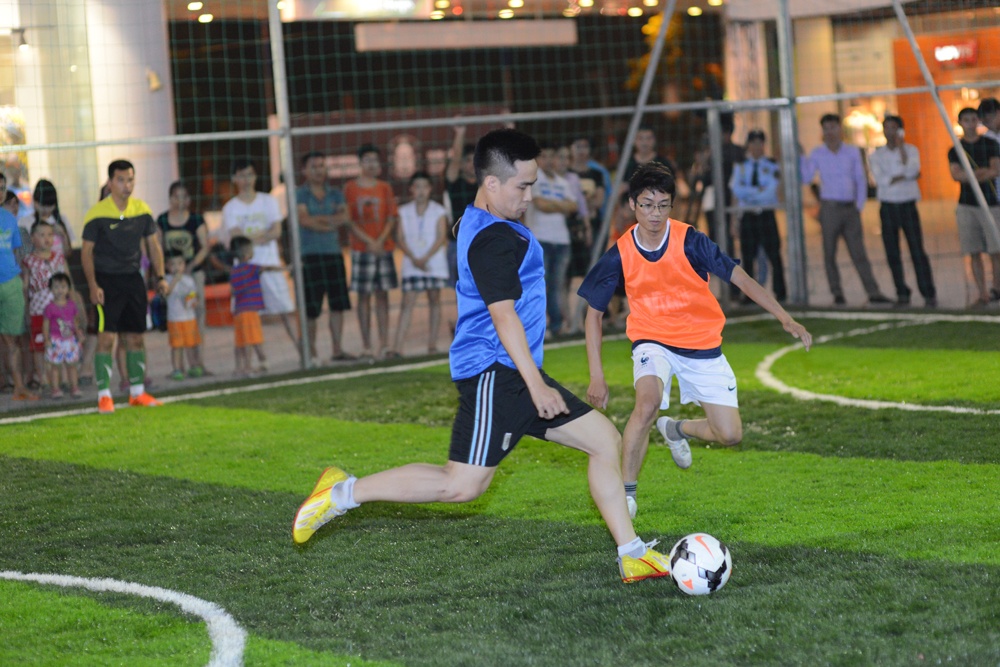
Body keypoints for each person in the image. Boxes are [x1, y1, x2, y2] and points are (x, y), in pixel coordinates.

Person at [292, 128, 672, 584]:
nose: (530, 196)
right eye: (523, 186)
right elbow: (503, 316)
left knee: (604, 441)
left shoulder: (480, 218)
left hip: (514, 369)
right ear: (492, 184)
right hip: (498, 372)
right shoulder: (493, 238)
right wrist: (535, 385)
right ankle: (340, 493)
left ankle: (630, 553)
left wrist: (532, 379)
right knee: (461, 485)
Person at [579, 163, 812, 519]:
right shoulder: (620, 252)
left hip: (700, 342)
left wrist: (785, 316)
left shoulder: (691, 240)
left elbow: (741, 279)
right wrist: (597, 375)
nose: (655, 214)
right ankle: (627, 496)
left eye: (662, 205)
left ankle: (676, 429)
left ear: (671, 205)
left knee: (731, 434)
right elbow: (593, 313)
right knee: (647, 403)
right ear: (631, 205)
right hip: (651, 338)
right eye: (646, 205)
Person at [81, 159, 165, 414]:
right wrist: (93, 284)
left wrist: (160, 277)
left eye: (130, 179)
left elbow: (153, 245)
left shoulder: (141, 210)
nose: (126, 185)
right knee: (106, 338)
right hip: (107, 282)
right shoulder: (97, 213)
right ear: (110, 182)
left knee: (136, 336)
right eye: (121, 180)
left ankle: (137, 393)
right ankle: (104, 396)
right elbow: (86, 253)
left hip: (133, 280)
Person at [800, 114, 891, 306]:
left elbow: (860, 179)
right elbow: (807, 178)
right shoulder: (817, 153)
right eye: (826, 128)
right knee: (829, 253)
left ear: (840, 129)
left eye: (833, 127)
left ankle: (873, 292)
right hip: (830, 208)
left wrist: (859, 206)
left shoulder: (851, 152)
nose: (830, 132)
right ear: (822, 131)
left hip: (850, 208)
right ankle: (837, 292)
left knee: (859, 253)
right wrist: (801, 158)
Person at [221, 159, 299, 348]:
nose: (246, 180)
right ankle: (258, 358)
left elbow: (276, 231)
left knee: (286, 311)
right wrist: (263, 235)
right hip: (245, 270)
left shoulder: (268, 201)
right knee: (248, 316)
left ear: (255, 176)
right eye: (241, 175)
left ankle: (302, 350)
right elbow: (236, 236)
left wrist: (249, 238)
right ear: (234, 178)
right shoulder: (230, 207)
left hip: (271, 263)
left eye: (250, 174)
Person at [868, 115, 936, 308]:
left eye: (894, 128)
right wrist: (904, 174)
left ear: (900, 130)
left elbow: (914, 170)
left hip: (908, 205)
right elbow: (880, 180)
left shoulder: (911, 150)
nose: (890, 132)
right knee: (892, 253)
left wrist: (901, 153)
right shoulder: (876, 155)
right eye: (886, 128)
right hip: (888, 206)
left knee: (917, 250)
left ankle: (928, 292)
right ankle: (901, 292)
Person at [295, 151, 353, 363]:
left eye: (321, 166)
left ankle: (337, 350)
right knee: (311, 308)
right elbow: (304, 220)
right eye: (314, 166)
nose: (319, 170)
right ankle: (311, 353)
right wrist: (330, 221)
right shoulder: (299, 194)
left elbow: (345, 217)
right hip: (309, 256)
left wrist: (317, 220)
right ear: (304, 170)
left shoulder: (336, 193)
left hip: (333, 254)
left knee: (338, 305)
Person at [344, 144, 398, 360]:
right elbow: (348, 220)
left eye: (375, 160)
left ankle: (384, 343)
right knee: (364, 298)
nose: (372, 164)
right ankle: (366, 345)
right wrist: (368, 241)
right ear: (360, 162)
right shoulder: (350, 188)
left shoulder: (385, 187)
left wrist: (380, 240)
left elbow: (391, 217)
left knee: (382, 296)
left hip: (382, 248)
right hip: (361, 249)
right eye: (367, 160)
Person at [391, 171, 449, 356]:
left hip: (433, 264)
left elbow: (441, 237)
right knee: (407, 303)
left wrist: (424, 258)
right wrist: (414, 258)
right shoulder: (403, 211)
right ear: (411, 190)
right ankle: (397, 347)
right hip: (412, 264)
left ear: (430, 189)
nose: (421, 191)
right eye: (417, 187)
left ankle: (432, 344)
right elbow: (399, 238)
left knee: (434, 301)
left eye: (425, 186)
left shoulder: (439, 210)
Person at [947, 107, 1000, 307]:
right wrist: (981, 173)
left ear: (978, 121)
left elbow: (996, 170)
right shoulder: (956, 149)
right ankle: (983, 293)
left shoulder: (990, 144)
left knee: (996, 249)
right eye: (965, 120)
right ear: (960, 123)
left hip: (991, 203)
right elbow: (956, 175)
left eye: (973, 119)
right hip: (967, 205)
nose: (970, 123)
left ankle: (997, 288)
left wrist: (971, 176)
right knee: (973, 250)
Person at [730, 129, 787, 303]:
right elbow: (735, 192)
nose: (756, 147)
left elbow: (771, 192)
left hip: (766, 215)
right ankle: (749, 295)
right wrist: (734, 220)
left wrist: (748, 193)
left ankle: (781, 293)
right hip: (748, 216)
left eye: (760, 143)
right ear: (748, 145)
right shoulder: (740, 167)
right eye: (753, 143)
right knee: (747, 258)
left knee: (774, 255)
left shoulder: (771, 165)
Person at [526, 141, 576, 338]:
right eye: (543, 156)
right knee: (540, 285)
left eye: (550, 156)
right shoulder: (533, 181)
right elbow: (540, 205)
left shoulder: (562, 182)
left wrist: (553, 205)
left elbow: (573, 206)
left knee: (557, 285)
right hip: (540, 240)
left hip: (562, 241)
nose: (547, 161)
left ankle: (556, 325)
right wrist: (560, 205)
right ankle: (540, 325)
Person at [157, 181, 211, 338]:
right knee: (175, 311)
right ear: (170, 198)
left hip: (193, 273)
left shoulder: (196, 219)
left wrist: (191, 265)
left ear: (189, 199)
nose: (180, 201)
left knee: (197, 310)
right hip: (171, 275)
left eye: (184, 197)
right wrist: (161, 272)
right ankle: (179, 349)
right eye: (176, 197)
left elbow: (205, 246)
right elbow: (158, 248)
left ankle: (198, 354)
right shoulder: (162, 220)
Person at [228, 235, 287, 377]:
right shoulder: (252, 268)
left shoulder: (234, 271)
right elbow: (268, 268)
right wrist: (285, 268)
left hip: (239, 311)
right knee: (250, 339)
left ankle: (239, 367)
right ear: (248, 253)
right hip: (250, 311)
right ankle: (248, 366)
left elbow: (233, 291)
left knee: (240, 340)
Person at [21, 220, 68, 389]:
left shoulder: (58, 259)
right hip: (38, 310)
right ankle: (43, 379)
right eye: (41, 235)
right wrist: (26, 309)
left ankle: (61, 378)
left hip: (58, 311)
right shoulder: (29, 261)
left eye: (50, 235)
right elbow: (25, 287)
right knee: (39, 345)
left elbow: (66, 282)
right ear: (33, 238)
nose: (46, 238)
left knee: (60, 342)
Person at [0, 195, 37, 400]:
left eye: (2, 188)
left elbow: (15, 253)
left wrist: (22, 283)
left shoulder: (9, 219)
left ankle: (19, 386)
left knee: (12, 339)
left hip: (10, 282)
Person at [444, 124, 479, 286]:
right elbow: (456, 157)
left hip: (483, 242)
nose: (471, 164)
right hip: (459, 243)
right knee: (463, 293)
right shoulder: (455, 183)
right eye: (467, 160)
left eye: (475, 160)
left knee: (487, 295)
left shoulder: (487, 185)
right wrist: (460, 133)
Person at [42, 272, 83, 399]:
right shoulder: (49, 307)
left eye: (63, 287)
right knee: (55, 367)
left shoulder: (72, 305)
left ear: (68, 289)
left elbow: (75, 321)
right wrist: (47, 339)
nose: (60, 290)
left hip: (70, 340)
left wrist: (78, 333)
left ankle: (74, 387)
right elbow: (46, 324)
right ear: (50, 289)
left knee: (72, 366)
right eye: (56, 287)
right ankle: (55, 389)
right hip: (56, 341)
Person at [163, 251, 204, 380]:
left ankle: (193, 366)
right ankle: (177, 369)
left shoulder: (189, 280)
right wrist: (175, 280)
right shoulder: (166, 280)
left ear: (184, 265)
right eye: (172, 264)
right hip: (174, 319)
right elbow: (166, 293)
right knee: (176, 346)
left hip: (189, 318)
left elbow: (194, 295)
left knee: (191, 344)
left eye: (180, 264)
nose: (176, 267)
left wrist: (193, 301)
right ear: (167, 266)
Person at [19, 180, 75, 260]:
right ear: (34, 201)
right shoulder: (25, 222)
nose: (46, 210)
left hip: (59, 269)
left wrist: (63, 235)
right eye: (42, 205)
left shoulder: (62, 220)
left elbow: (68, 254)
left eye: (50, 206)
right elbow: (23, 253)